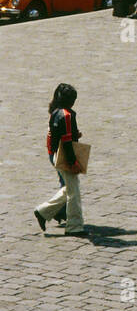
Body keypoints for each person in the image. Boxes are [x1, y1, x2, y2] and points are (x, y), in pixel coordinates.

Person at [34, 82, 86, 236]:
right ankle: (74, 226)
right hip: (63, 155)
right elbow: (67, 141)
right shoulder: (67, 115)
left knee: (69, 188)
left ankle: (49, 212)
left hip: (54, 153)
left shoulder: (55, 112)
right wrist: (73, 162)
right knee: (73, 192)